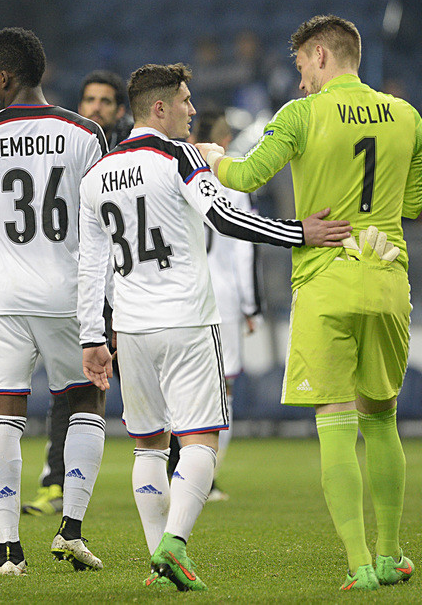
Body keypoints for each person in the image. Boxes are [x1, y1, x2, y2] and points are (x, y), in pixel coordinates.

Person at [78, 63, 350, 591]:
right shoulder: (179, 156)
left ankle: (157, 557)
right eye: (184, 100)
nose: (193, 110)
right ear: (160, 108)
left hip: (130, 329)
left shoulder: (98, 173)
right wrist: (300, 232)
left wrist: (93, 336)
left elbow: (90, 266)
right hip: (186, 319)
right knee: (201, 439)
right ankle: (174, 544)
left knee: (148, 446)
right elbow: (226, 219)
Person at [205, 15, 422, 591]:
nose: (300, 77)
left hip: (326, 282)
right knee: (382, 420)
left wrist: (208, 157)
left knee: (334, 424)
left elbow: (248, 172)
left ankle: (358, 565)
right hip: (388, 281)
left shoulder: (301, 115)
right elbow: (417, 201)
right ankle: (391, 553)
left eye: (303, 64)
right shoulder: (407, 115)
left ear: (324, 56)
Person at [0, 27, 110, 575]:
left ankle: (8, 551)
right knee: (86, 404)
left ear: (5, 75)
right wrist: (101, 304)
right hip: (67, 294)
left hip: (2, 296)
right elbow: (98, 228)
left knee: (4, 417)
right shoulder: (84, 133)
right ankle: (72, 530)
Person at [23, 69, 130, 517]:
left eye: (106, 101)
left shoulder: (128, 156)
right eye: (90, 100)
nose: (97, 108)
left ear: (120, 110)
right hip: (80, 291)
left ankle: (180, 473)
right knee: (69, 391)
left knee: (153, 386)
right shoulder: (68, 148)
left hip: (128, 291)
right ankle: (55, 484)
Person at [166, 110, 263, 501]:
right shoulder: (232, 180)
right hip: (220, 295)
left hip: (177, 292)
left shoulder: (172, 172)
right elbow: (244, 251)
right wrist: (251, 306)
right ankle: (207, 478)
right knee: (221, 391)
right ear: (220, 137)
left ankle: (176, 471)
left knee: (179, 387)